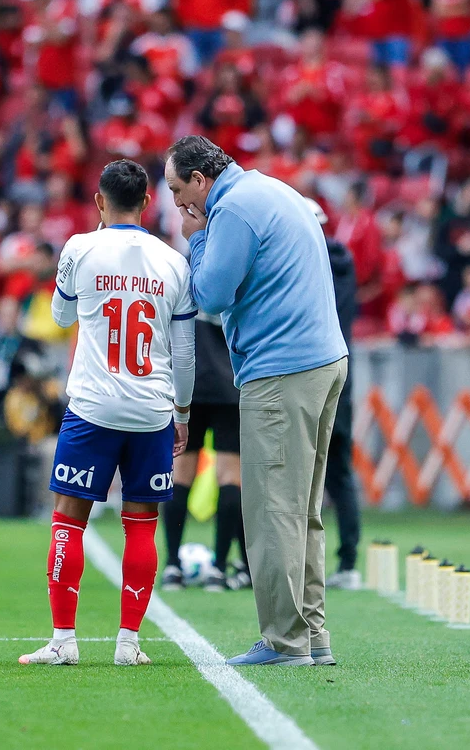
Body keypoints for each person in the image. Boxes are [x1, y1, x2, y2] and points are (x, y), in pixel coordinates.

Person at [168, 135, 348, 667]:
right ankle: (312, 635)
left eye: (180, 191)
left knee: (271, 512)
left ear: (201, 180)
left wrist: (196, 240)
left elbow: (211, 296)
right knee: (302, 512)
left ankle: (284, 641)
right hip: (321, 361)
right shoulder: (271, 190)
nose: (179, 204)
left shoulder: (233, 209)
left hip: (282, 370)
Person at [18, 159, 196, 667]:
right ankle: (128, 644)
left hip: (93, 407)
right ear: (146, 203)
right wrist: (180, 412)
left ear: (99, 201)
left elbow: (59, 316)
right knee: (141, 524)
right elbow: (184, 355)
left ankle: (63, 641)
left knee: (68, 518)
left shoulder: (78, 247)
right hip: (151, 409)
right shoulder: (174, 261)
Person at [159, 304, 248, 593]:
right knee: (230, 475)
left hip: (189, 381)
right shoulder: (236, 265)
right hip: (229, 382)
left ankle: (172, 566)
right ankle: (218, 569)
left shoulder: (188, 268)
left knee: (181, 473)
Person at [310, 198, 363, 591]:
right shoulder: (344, 264)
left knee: (302, 474)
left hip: (313, 371)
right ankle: (348, 559)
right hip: (343, 371)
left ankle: (303, 562)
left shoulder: (310, 265)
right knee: (340, 473)